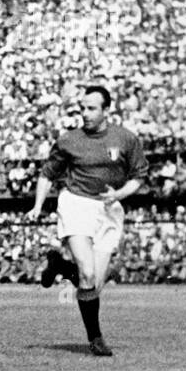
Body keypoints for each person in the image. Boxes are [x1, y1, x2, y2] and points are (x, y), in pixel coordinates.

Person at [27, 86, 148, 356]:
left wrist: (118, 194)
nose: (85, 113)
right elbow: (47, 174)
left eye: (92, 108)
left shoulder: (126, 139)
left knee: (94, 284)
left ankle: (60, 265)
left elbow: (139, 177)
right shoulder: (69, 140)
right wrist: (37, 206)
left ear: (107, 110)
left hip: (108, 209)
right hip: (77, 203)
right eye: (82, 108)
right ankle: (95, 339)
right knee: (88, 274)